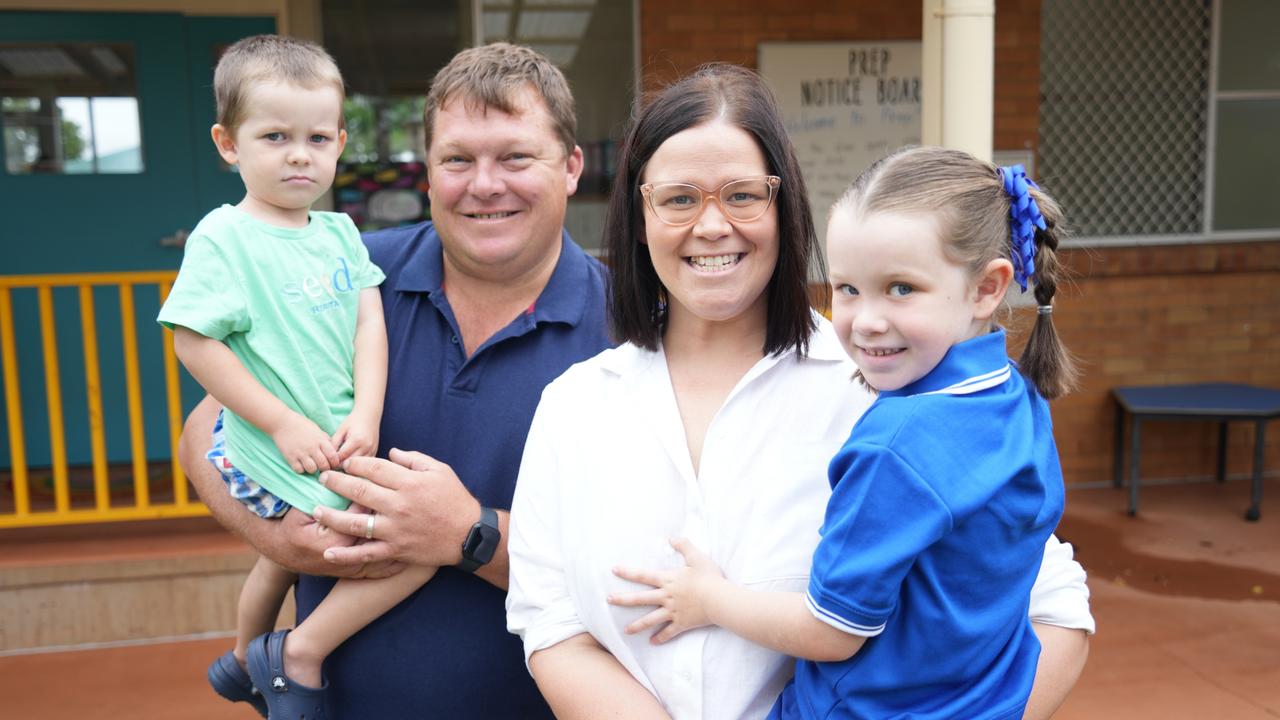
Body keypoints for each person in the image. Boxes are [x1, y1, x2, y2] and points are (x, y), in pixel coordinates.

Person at [505, 64, 1093, 720]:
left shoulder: (892, 389)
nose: (711, 226)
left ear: (783, 211)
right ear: (639, 219)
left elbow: (1054, 606)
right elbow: (549, 618)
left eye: (742, 195)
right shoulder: (574, 406)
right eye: (678, 198)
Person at [177, 42, 609, 717]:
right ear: (429, 174)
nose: (485, 184)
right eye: (458, 160)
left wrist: (472, 536)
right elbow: (206, 426)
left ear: (572, 167)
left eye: (516, 157)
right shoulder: (341, 270)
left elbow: (636, 567)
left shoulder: (632, 330)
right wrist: (277, 532)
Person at [607, 145, 1077, 718]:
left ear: (986, 287)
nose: (866, 319)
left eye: (901, 288)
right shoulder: (1014, 395)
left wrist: (709, 599)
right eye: (848, 289)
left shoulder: (895, 446)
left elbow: (834, 630)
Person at [159, 34, 446, 718]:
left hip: (337, 438)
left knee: (282, 560)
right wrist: (282, 422)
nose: (299, 154)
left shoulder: (342, 234)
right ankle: (298, 654)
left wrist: (368, 413)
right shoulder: (224, 237)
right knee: (405, 554)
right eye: (275, 136)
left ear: (341, 142)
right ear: (229, 144)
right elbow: (195, 345)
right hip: (271, 444)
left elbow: (367, 328)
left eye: (318, 138)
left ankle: (240, 660)